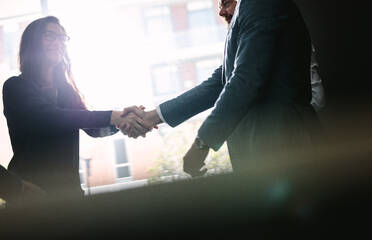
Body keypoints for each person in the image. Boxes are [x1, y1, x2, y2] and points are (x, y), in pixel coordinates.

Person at [123, 0, 323, 177]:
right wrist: (152, 116)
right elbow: (218, 84)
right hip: (272, 149)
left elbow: (245, 80)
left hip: (286, 145)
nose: (220, 12)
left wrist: (202, 144)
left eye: (226, 2)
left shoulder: (260, 5)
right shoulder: (249, 16)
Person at [2, 16, 151, 197]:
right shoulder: (15, 86)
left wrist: (127, 122)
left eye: (62, 38)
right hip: (31, 192)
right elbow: (53, 118)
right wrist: (114, 116)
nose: (58, 43)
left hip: (69, 192)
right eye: (50, 36)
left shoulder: (65, 90)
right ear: (32, 42)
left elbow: (92, 128)